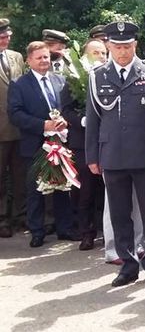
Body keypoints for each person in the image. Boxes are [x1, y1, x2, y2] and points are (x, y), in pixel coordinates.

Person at [85, 21, 145, 287]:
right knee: (120, 214)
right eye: (116, 46)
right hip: (111, 155)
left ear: (135, 45)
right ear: (108, 46)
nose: (122, 52)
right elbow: (93, 119)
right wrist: (92, 156)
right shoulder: (97, 76)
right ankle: (127, 265)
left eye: (126, 46)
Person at [7, 41, 78, 247]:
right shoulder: (20, 84)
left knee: (63, 187)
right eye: (39, 57)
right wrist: (43, 124)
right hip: (35, 144)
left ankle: (64, 229)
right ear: (28, 60)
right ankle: (37, 231)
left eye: (46, 57)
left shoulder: (60, 80)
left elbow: (67, 107)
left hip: (60, 143)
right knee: (35, 190)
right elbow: (15, 114)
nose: (44, 61)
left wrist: (65, 120)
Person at [60, 39, 107, 250]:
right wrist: (82, 120)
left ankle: (110, 232)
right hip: (83, 143)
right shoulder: (72, 81)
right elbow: (66, 110)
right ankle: (86, 232)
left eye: (104, 53)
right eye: (96, 53)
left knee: (109, 192)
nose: (102, 57)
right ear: (85, 57)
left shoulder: (110, 77)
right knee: (85, 191)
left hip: (108, 142)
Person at [0, 18, 26, 237]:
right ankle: (2, 220)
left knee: (21, 175)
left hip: (19, 128)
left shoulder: (16, 57)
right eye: (2, 37)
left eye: (7, 36)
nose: (6, 39)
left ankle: (21, 216)